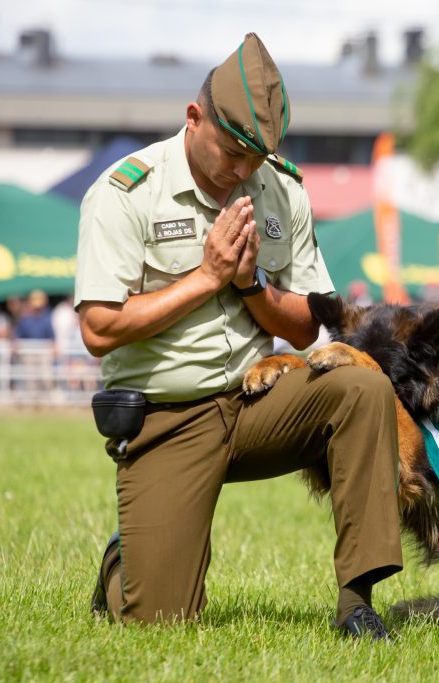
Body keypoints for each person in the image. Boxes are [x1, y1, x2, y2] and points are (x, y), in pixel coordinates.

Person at [75, 33, 402, 638]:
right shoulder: (126, 192)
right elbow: (99, 330)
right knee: (159, 622)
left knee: (362, 387)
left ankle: (357, 603)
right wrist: (207, 277)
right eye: (231, 153)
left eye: (255, 157)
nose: (242, 171)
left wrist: (251, 286)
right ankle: (125, 559)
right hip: (166, 418)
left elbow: (306, 325)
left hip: (258, 400)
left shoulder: (280, 187)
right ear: (193, 118)